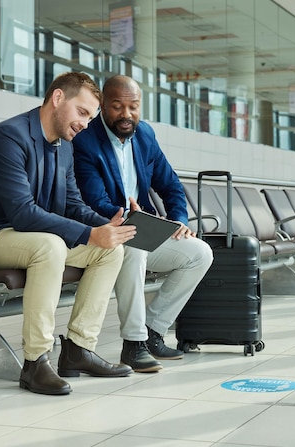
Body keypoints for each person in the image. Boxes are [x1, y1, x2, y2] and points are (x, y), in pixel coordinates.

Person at [0, 72, 135, 395]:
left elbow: (72, 204)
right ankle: (36, 360)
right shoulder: (8, 137)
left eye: (90, 117)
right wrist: (88, 233)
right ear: (58, 99)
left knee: (110, 250)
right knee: (51, 246)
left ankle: (78, 349)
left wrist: (104, 226)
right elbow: (22, 212)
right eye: (82, 113)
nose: (86, 123)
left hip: (27, 238)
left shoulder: (64, 147)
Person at [72, 75, 213, 373]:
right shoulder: (86, 140)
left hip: (141, 226)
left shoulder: (145, 135)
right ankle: (133, 344)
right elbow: (93, 198)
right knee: (134, 248)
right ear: (102, 107)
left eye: (133, 106)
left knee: (200, 253)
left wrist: (178, 219)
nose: (126, 114)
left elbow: (172, 185)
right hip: (104, 231)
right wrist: (125, 215)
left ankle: (152, 331)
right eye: (117, 106)